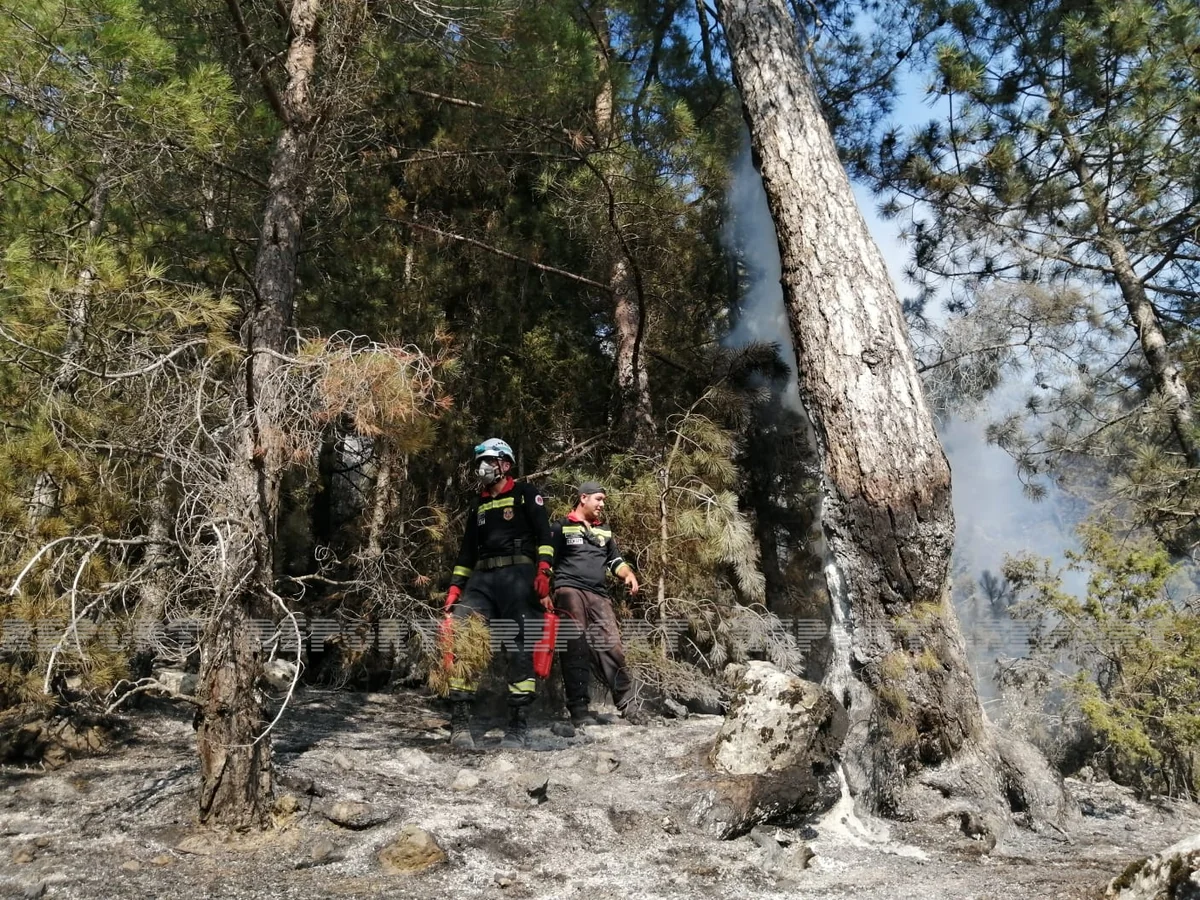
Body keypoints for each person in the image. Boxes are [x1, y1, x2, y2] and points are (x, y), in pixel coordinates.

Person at [444, 438, 554, 750]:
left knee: (518, 645)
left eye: (489, 460)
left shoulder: (525, 494)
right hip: (482, 578)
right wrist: (455, 588)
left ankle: (518, 725)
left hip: (518, 576)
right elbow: (466, 552)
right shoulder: (478, 505)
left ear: (504, 464)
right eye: (480, 461)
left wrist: (544, 572)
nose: (483, 467)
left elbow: (545, 535)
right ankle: (460, 722)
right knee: (464, 639)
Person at [550, 481, 644, 733]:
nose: (602, 505)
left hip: (598, 595)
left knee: (611, 645)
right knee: (575, 647)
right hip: (568, 590)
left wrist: (627, 574)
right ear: (583, 498)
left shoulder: (605, 531)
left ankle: (628, 705)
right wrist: (541, 592)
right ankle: (579, 711)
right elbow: (546, 561)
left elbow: (615, 561)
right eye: (598, 499)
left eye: (603, 500)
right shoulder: (560, 527)